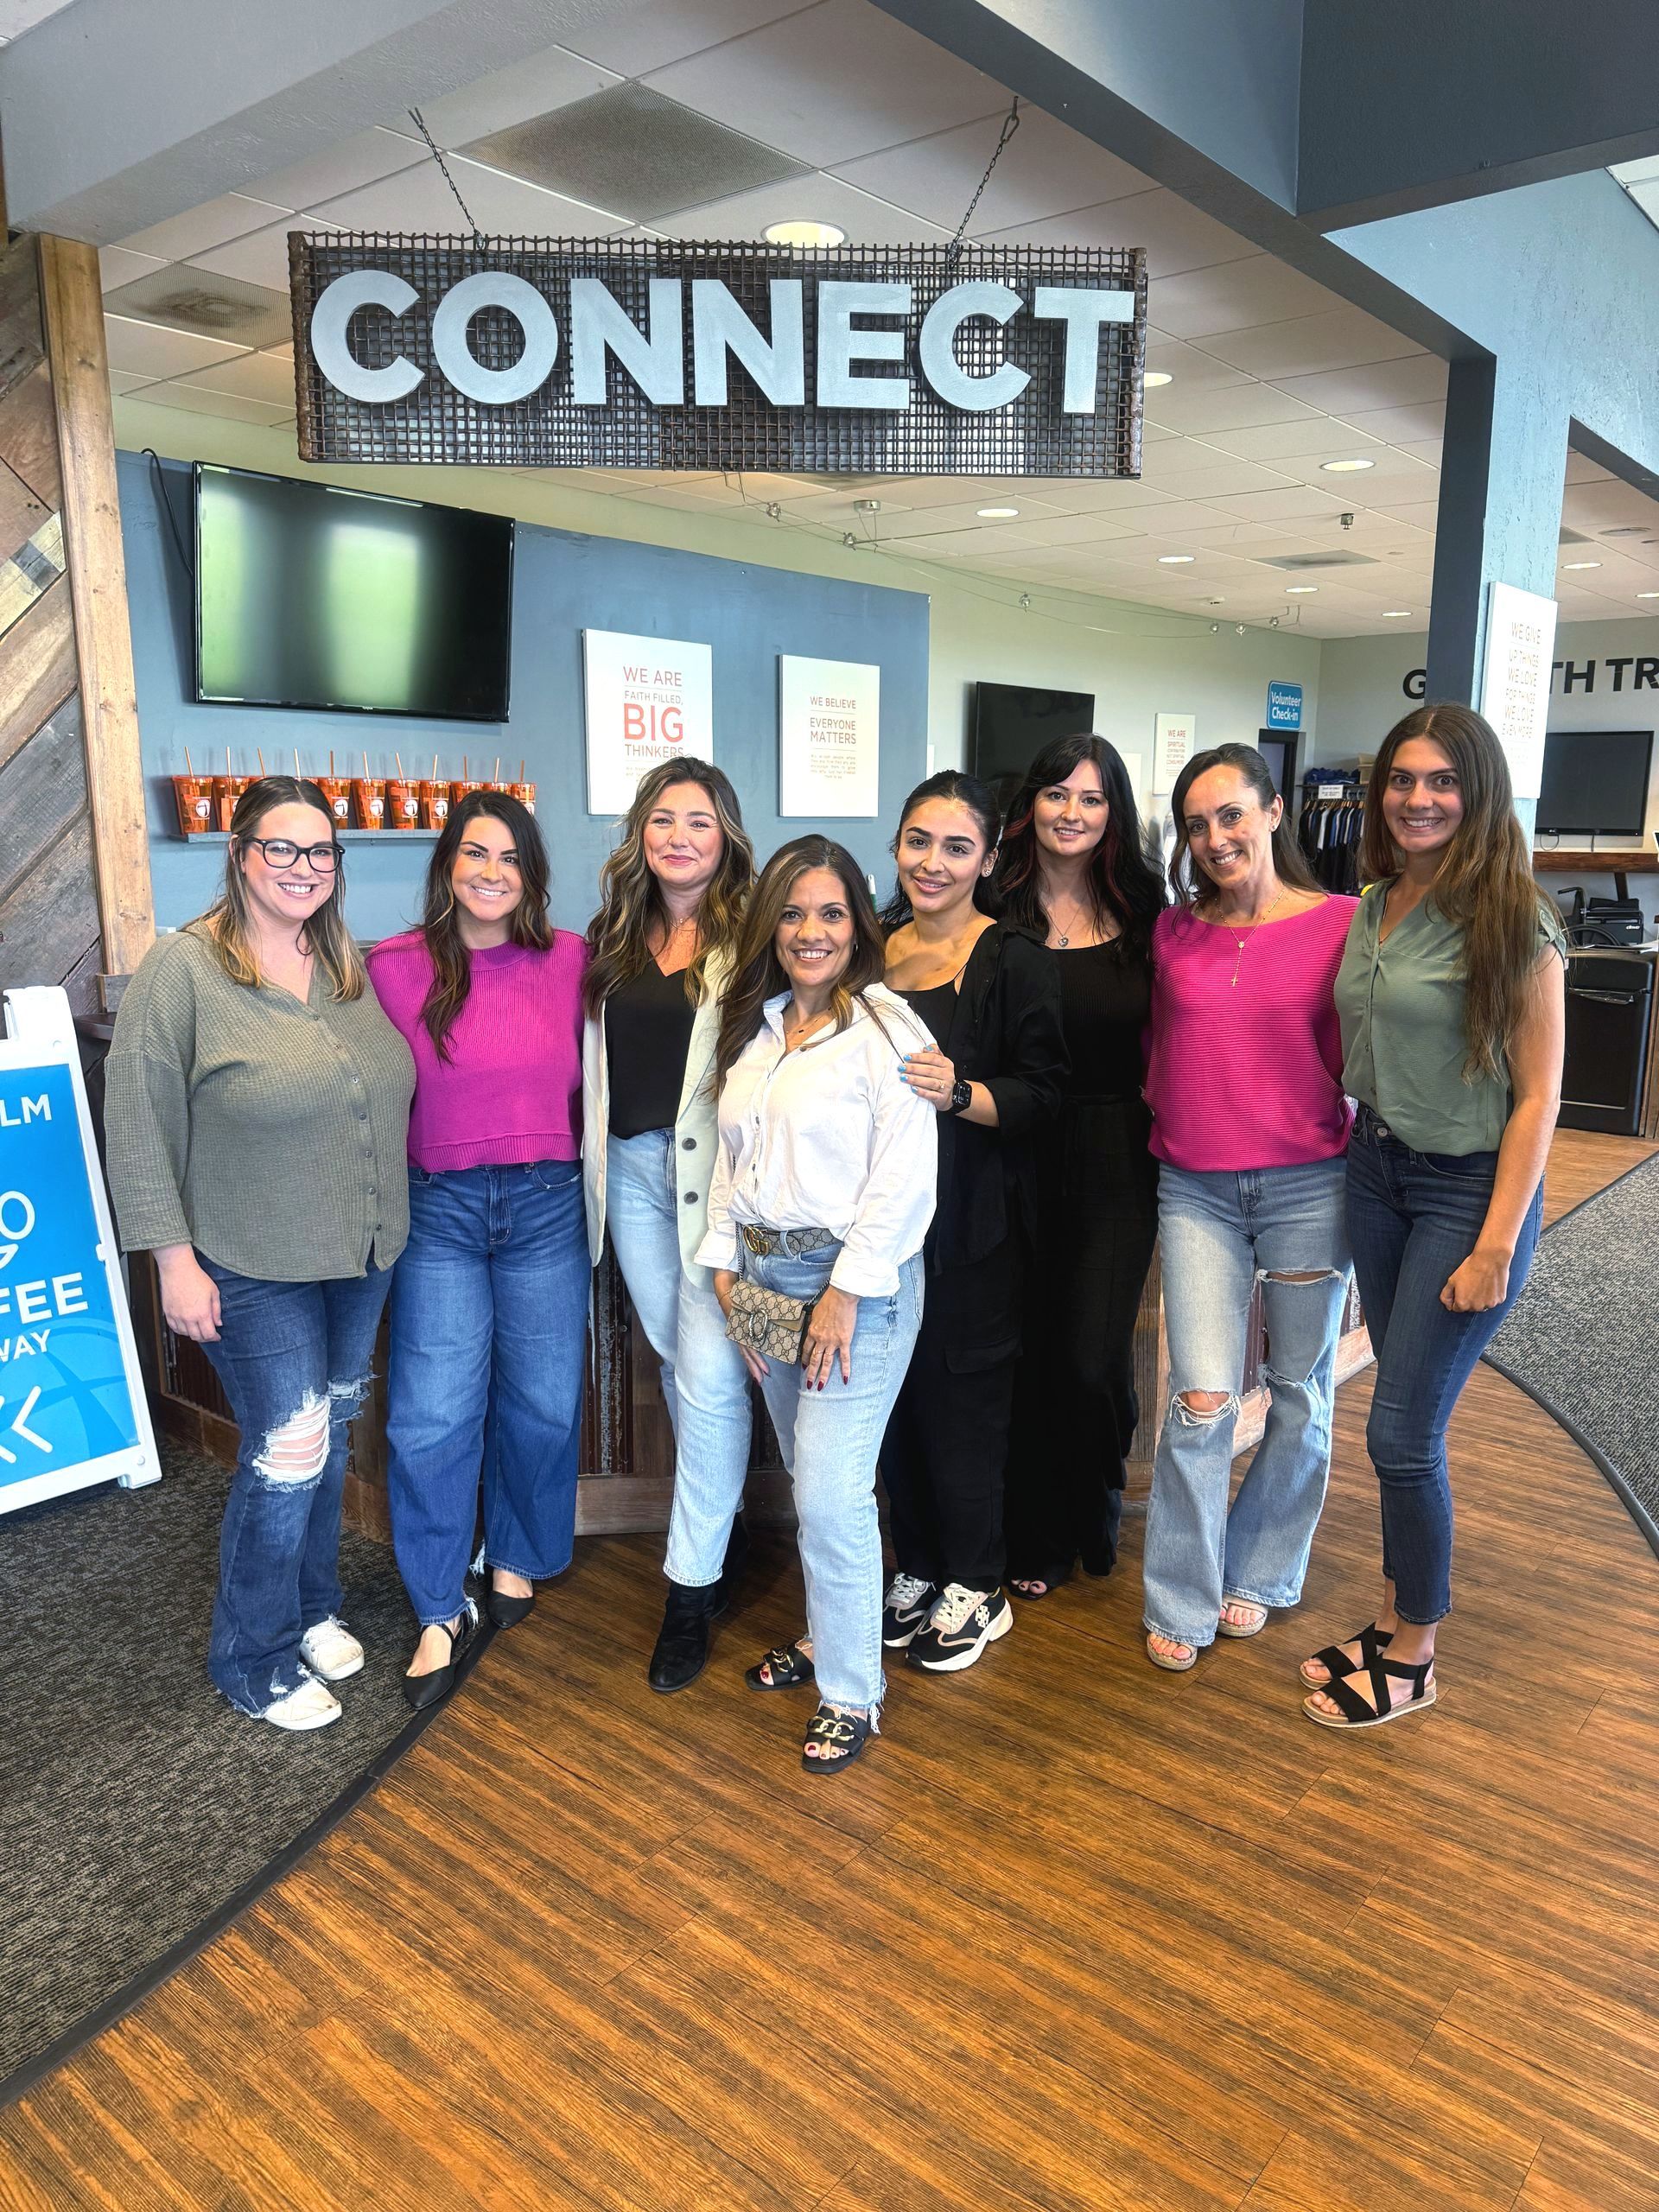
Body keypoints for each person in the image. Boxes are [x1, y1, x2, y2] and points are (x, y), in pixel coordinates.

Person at [105, 777, 415, 1730]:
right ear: (238, 854)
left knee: (327, 1437)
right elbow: (136, 1118)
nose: (304, 868)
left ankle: (309, 1604)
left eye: (322, 851)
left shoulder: (344, 966)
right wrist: (171, 1258)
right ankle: (252, 1655)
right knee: (290, 1448)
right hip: (247, 1257)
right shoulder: (184, 968)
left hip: (356, 1251)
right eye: (281, 848)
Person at [1302, 705, 1566, 1729]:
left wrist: (1498, 1241)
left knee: (1404, 1432)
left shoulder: (1516, 920)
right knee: (1402, 1421)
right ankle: (1391, 1615)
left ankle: (1415, 1654)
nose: (1419, 799)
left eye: (1442, 782)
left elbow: (1539, 1095)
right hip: (1378, 1172)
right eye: (1403, 780)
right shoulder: (1375, 903)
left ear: (1479, 794)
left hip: (1467, 1188)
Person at [698, 836, 936, 1773]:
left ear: (859, 925)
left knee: (833, 1497)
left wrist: (843, 1291)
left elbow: (905, 1183)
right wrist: (724, 1270)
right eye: (793, 913)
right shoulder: (753, 1028)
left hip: (855, 1287)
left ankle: (852, 1690)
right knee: (810, 1482)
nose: (810, 931)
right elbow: (733, 1158)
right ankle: (825, 1632)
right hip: (762, 1278)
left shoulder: (887, 1030)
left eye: (831, 913)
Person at [367, 792, 588, 1710]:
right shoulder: (392, 966)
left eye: (510, 857)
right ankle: (434, 1599)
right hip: (440, 1211)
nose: (492, 872)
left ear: (531, 873)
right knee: (432, 1414)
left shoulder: (573, 960)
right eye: (474, 854)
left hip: (546, 1204)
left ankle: (520, 1551)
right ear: (448, 865)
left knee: (541, 1401)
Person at [1141, 744, 1357, 1672]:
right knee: (1200, 1399)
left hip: (1312, 1181)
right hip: (1196, 1188)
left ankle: (1263, 1569)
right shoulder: (1172, 933)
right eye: (1196, 824)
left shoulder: (1346, 921)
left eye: (1231, 814)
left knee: (1302, 1391)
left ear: (1274, 811)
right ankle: (1179, 1595)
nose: (1215, 837)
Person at [876, 772, 1066, 1670]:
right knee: (897, 1401)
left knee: (965, 1406)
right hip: (881, 1228)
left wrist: (962, 1093)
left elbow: (1046, 1095)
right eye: (920, 840)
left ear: (989, 859)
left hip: (974, 1228)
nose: (934, 862)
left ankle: (977, 1584)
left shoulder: (1015, 957)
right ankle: (916, 1561)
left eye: (957, 846)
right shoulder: (870, 946)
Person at [579, 759, 757, 1693]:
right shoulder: (615, 933)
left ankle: (689, 1588)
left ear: (725, 832)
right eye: (661, 819)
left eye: (697, 820)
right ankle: (716, 1553)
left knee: (710, 1380)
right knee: (687, 1370)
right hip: (632, 1179)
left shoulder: (754, 932)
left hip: (713, 1181)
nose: (678, 836)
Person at [989, 734, 1166, 1599]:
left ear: (1114, 814)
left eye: (1091, 799)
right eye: (1056, 793)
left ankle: (1093, 1497)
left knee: (1092, 1353)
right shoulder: (990, 905)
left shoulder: (1146, 907)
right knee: (1020, 1347)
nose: (1072, 813)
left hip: (1114, 1148)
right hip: (1008, 1146)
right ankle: (1033, 1532)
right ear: (1029, 804)